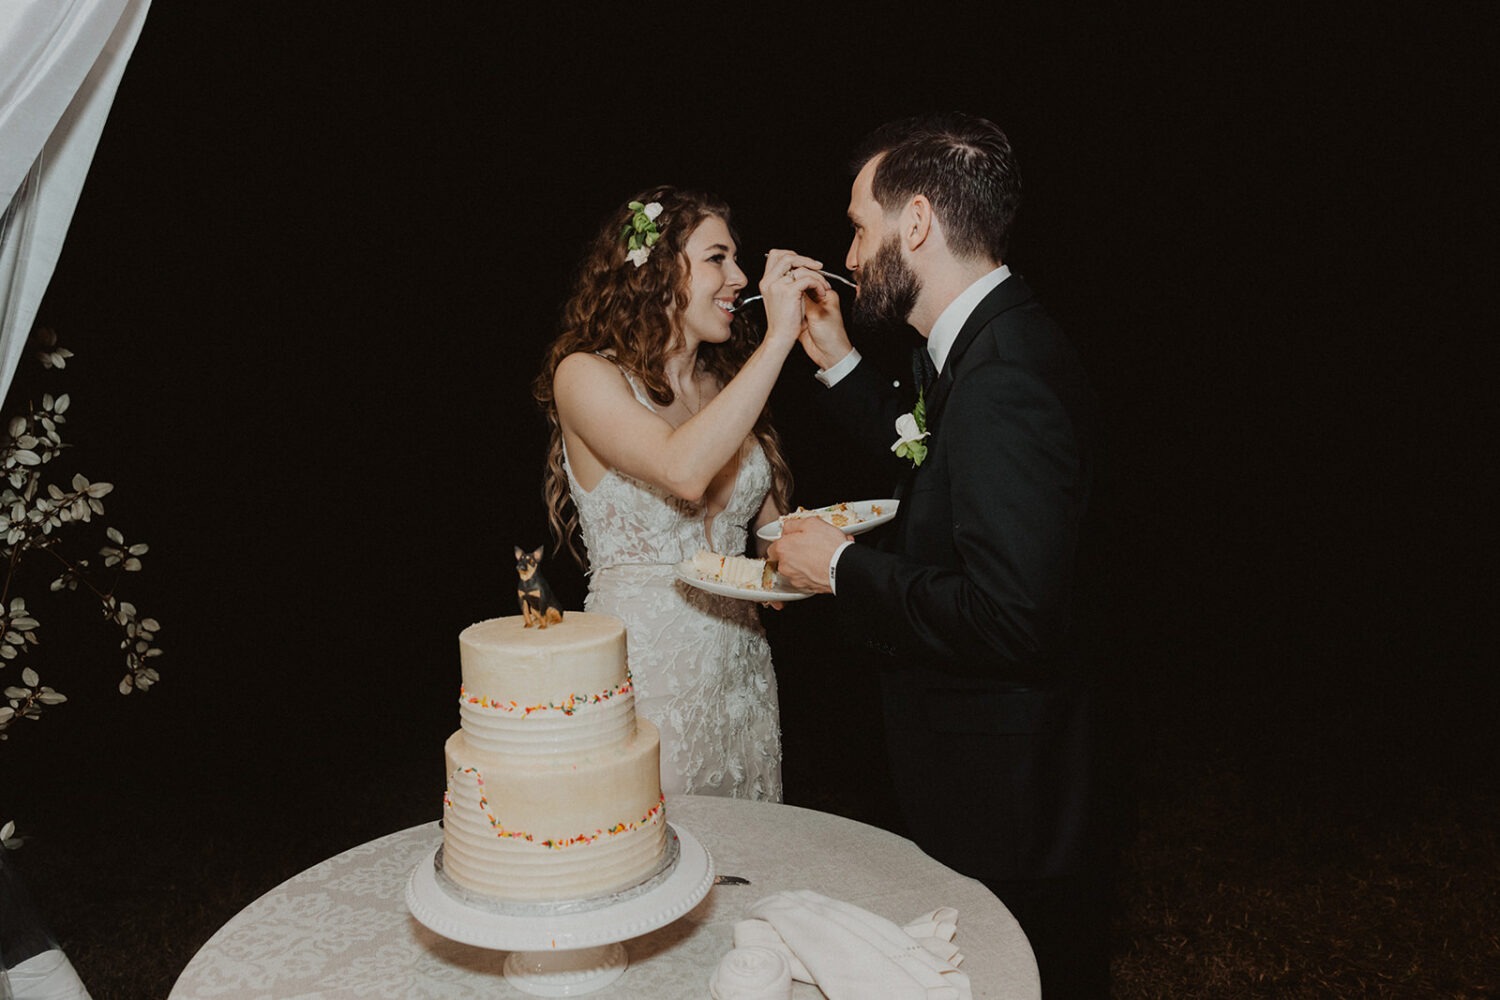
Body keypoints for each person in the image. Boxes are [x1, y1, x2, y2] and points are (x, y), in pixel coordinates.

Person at [768, 115, 1109, 997]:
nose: (849, 248)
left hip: (1009, 800)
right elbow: (947, 479)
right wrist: (842, 364)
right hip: (993, 774)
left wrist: (843, 570)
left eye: (858, 224)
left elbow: (1012, 615)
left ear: (914, 224)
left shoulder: (1004, 378)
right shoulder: (980, 341)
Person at [534, 187, 825, 801]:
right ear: (658, 271)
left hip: (743, 676)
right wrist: (778, 340)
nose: (740, 277)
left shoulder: (728, 386)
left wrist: (820, 551)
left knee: (749, 868)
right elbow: (682, 469)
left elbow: (771, 533)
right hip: (648, 680)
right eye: (718, 257)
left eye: (737, 259)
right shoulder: (586, 375)